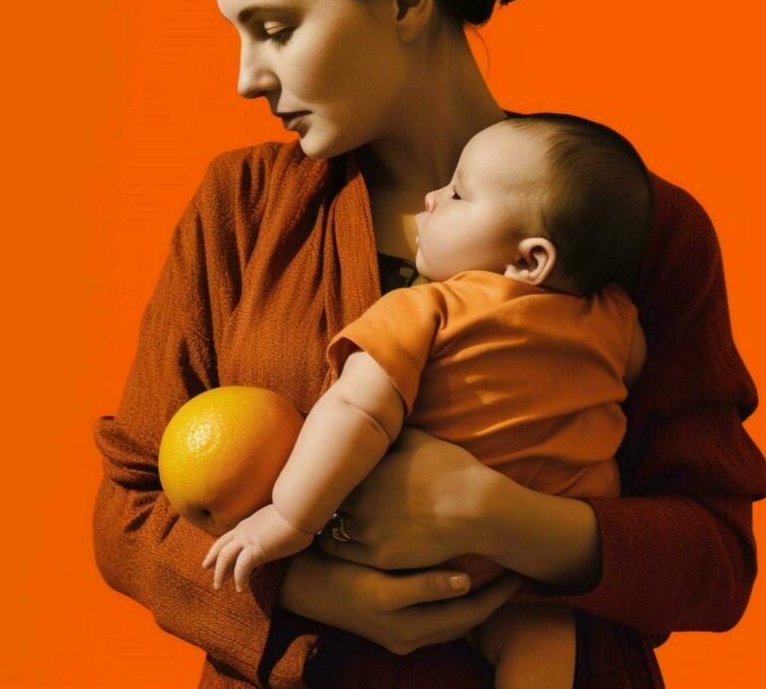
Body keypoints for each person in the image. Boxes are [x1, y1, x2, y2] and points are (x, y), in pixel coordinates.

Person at [91, 0, 766, 688]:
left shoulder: (643, 226)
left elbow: (715, 558)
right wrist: (311, 588)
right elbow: (128, 509)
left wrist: (497, 516)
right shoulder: (243, 207)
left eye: (275, 27)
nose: (246, 77)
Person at [200, 115, 652, 689]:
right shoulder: (616, 318)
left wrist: (291, 518)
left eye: (458, 193)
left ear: (529, 260)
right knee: (542, 636)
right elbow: (634, 369)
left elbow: (355, 412)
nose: (432, 199)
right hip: (526, 578)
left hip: (415, 555)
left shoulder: (427, 307)